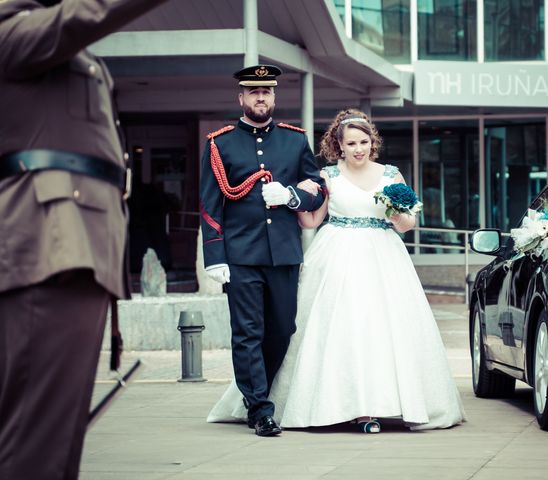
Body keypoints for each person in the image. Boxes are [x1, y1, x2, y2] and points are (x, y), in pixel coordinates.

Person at [208, 108, 465, 433]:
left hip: (383, 257)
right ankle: (337, 405)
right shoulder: (328, 176)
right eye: (351, 143)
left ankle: (387, 403)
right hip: (337, 254)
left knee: (382, 328)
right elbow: (313, 220)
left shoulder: (392, 175)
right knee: (338, 328)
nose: (358, 148)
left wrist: (396, 214)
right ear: (338, 145)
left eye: (364, 141)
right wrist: (293, 198)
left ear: (373, 142)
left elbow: (408, 224)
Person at [0, 1, 169, 478]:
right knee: (38, 439)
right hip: (50, 246)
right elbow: (85, 14)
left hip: (72, 247)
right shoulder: (13, 34)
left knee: (54, 433)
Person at [199, 64, 326, 437]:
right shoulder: (219, 143)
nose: (260, 97)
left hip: (284, 253)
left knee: (283, 328)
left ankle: (256, 393)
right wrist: (215, 256)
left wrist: (291, 196)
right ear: (241, 98)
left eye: (266, 92)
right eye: (253, 92)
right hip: (240, 255)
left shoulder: (294, 139)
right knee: (247, 332)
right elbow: (210, 204)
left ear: (274, 97)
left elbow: (317, 187)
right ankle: (259, 408)